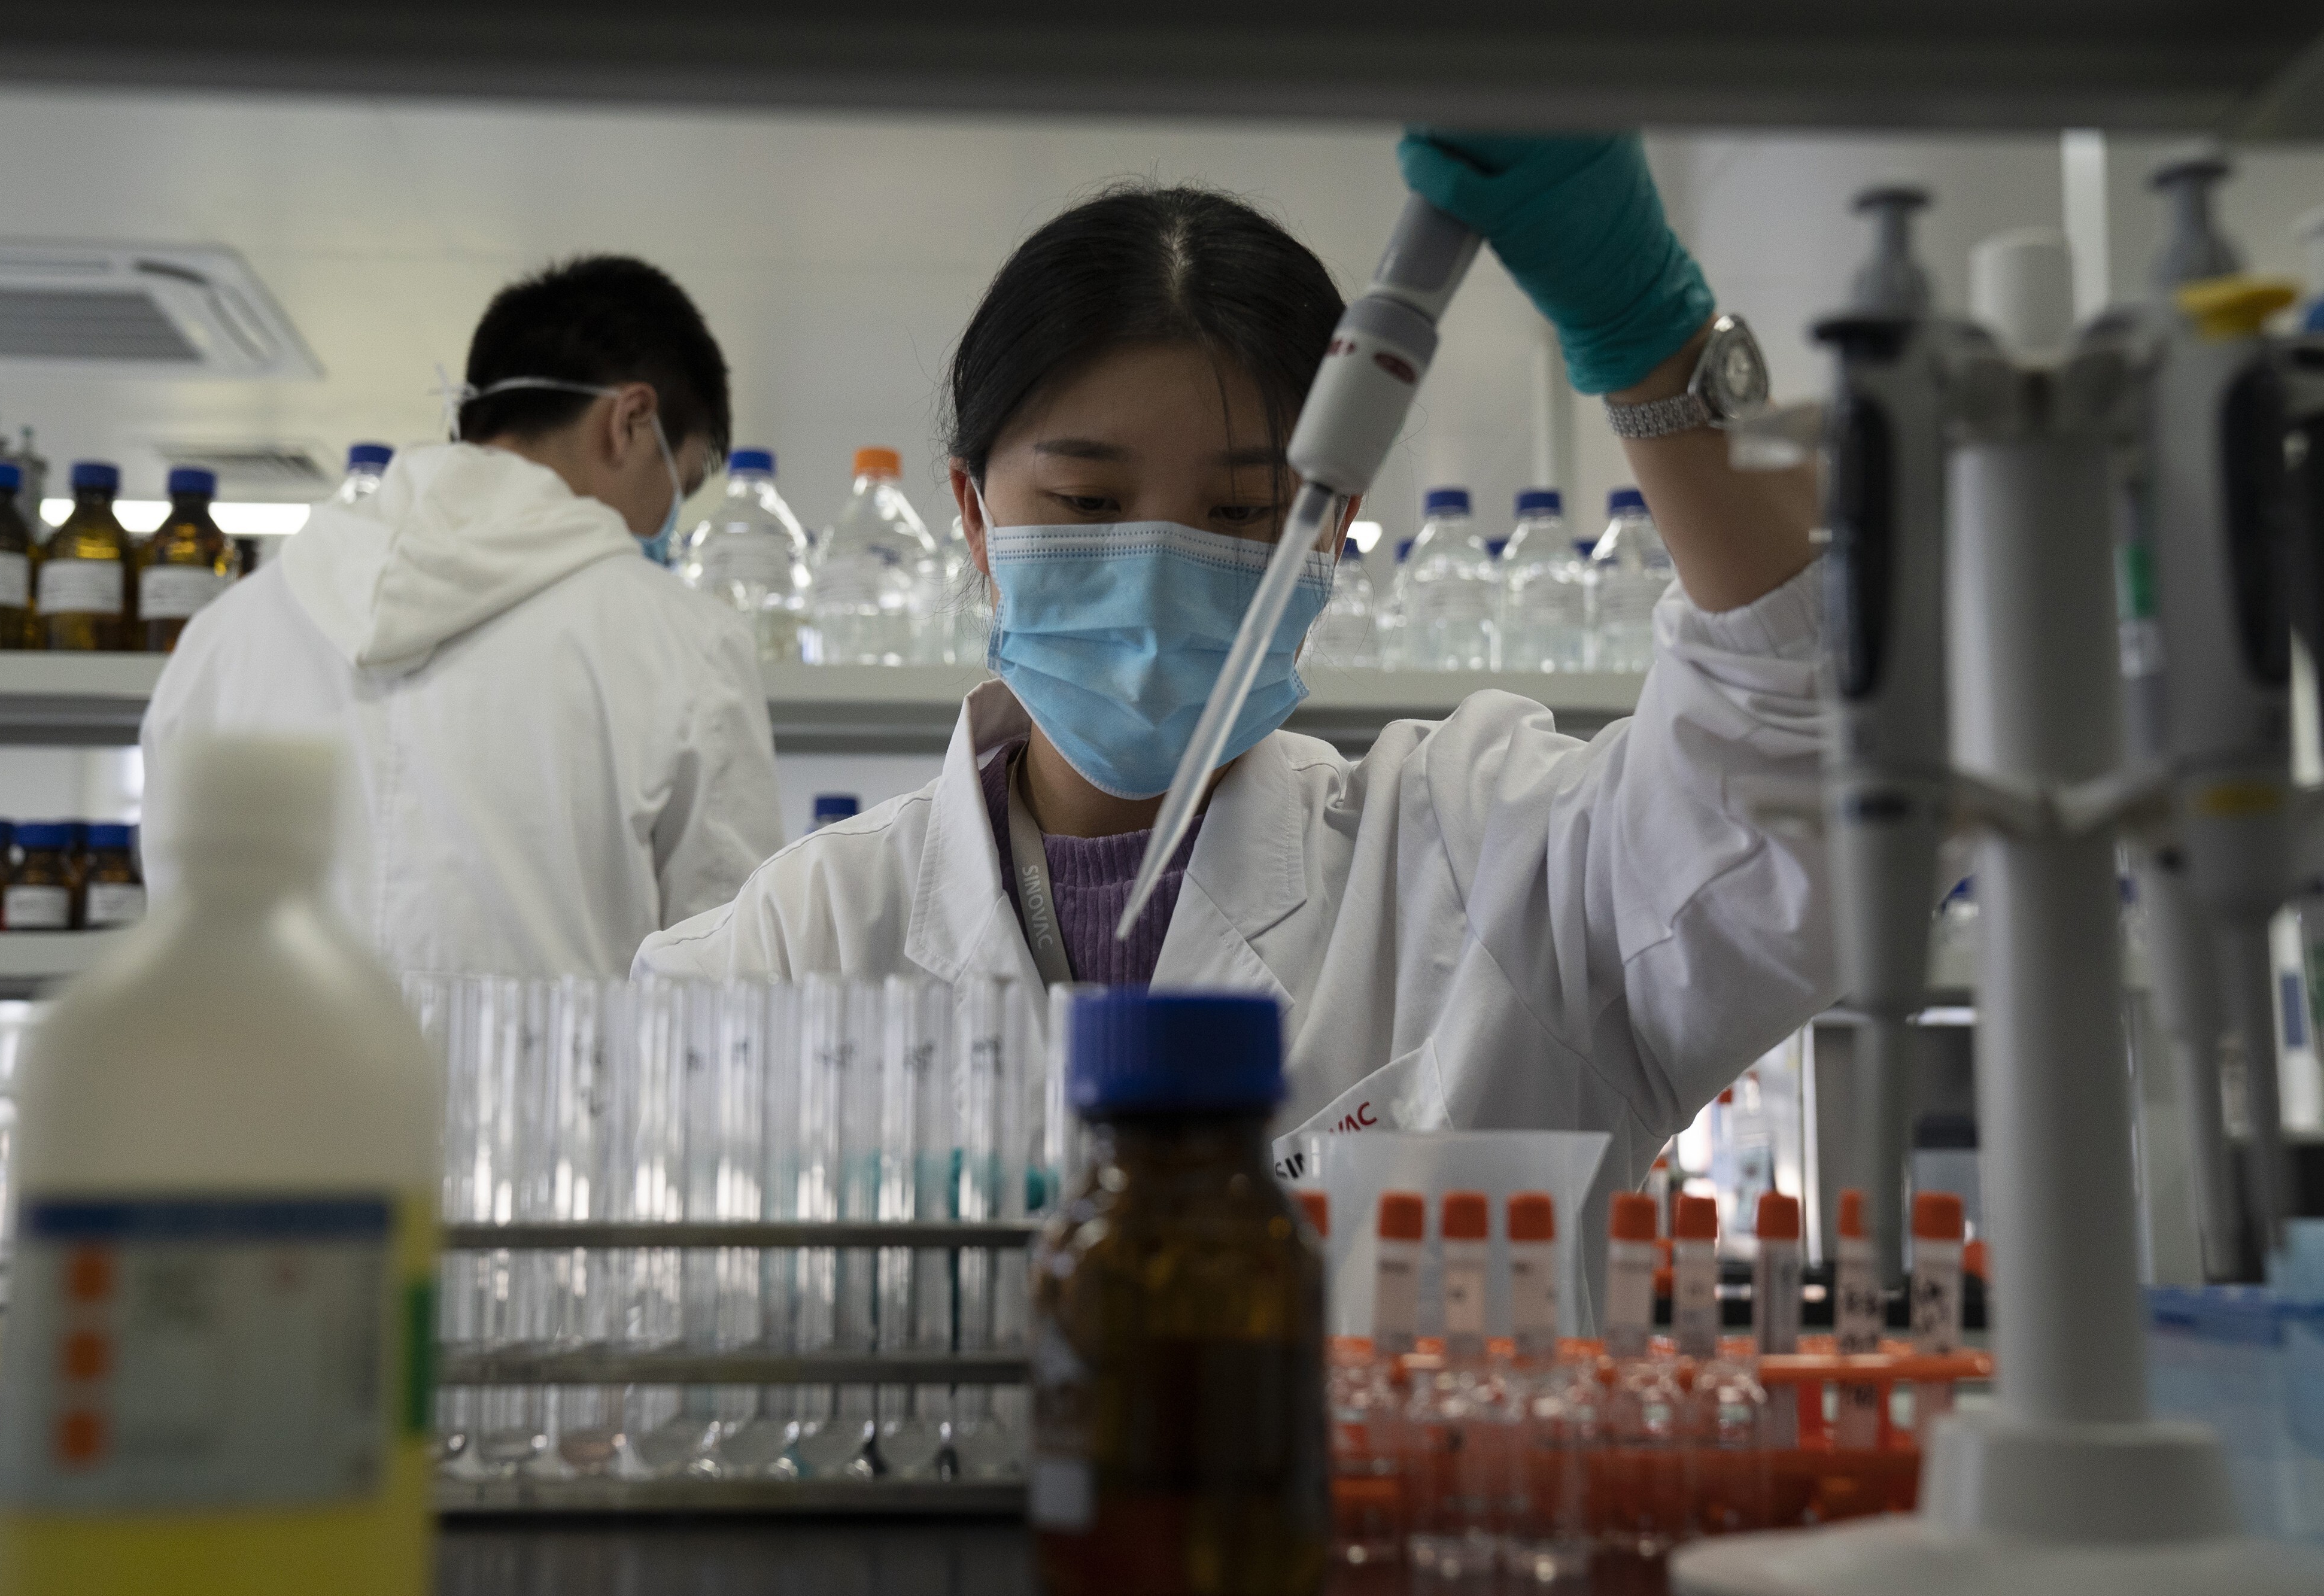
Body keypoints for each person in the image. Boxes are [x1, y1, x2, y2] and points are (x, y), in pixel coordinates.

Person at [636, 137, 1831, 1227]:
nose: (1156, 564)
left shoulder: (1483, 864)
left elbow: (1809, 784)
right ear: (970, 512)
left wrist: (1646, 339)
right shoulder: (790, 951)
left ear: (1330, 529)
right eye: (1088, 503)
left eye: (1243, 511)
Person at [144, 256, 783, 978]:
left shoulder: (223, 638)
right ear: (630, 422)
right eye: (681, 484)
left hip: (271, 1093)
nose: (665, 522)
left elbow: (177, 941)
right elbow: (730, 996)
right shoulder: (683, 642)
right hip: (558, 1094)